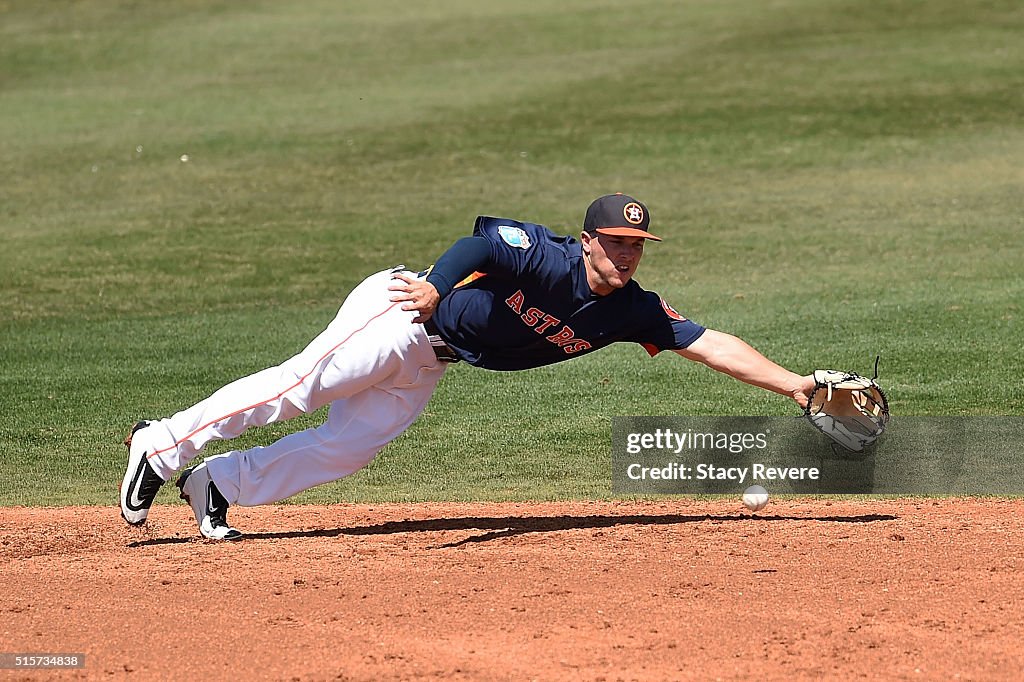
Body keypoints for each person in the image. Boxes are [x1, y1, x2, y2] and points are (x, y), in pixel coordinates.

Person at [119, 193, 816, 540]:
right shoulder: (543, 254)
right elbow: (473, 245)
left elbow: (709, 342)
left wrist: (795, 386)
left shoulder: (631, 310)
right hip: (401, 313)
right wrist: (434, 287)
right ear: (587, 240)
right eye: (615, 241)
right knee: (299, 388)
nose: (628, 253)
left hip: (430, 363)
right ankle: (163, 444)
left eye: (637, 243)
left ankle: (217, 483)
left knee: (345, 448)